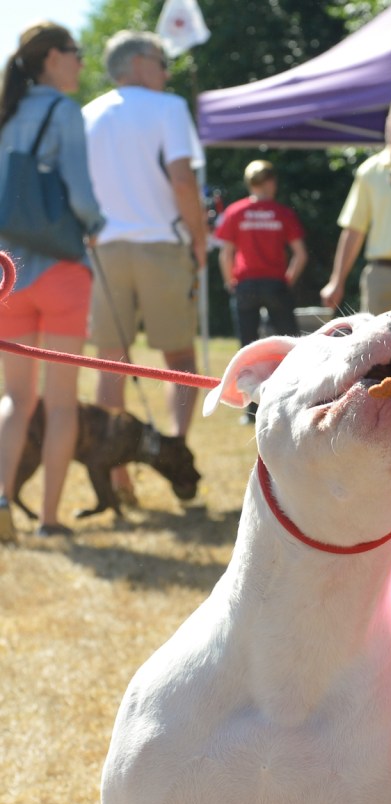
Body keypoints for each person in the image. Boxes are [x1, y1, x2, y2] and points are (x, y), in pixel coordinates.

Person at [82, 30, 206, 505]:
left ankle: (116, 473)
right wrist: (199, 238)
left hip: (104, 249)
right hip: (160, 246)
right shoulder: (169, 107)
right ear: (135, 63)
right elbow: (181, 179)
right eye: (160, 59)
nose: (166, 69)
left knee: (109, 363)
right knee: (182, 362)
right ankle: (172, 448)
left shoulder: (87, 113)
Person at [0, 21, 104, 541]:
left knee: (15, 399)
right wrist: (99, 226)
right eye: (75, 53)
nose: (82, 63)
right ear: (51, 58)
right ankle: (48, 520)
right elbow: (82, 196)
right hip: (62, 267)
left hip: (7, 273)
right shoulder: (63, 111)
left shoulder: (5, 109)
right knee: (61, 402)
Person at [319, 91, 391, 315]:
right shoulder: (369, 171)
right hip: (382, 275)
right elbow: (353, 230)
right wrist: (337, 281)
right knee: (377, 347)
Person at [215, 159, 306, 423]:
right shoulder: (282, 213)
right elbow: (300, 254)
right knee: (290, 346)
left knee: (247, 348)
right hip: (275, 284)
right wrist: (288, 278)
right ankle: (294, 400)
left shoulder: (235, 211)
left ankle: (251, 411)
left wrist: (229, 280)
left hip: (245, 285)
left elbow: (226, 254)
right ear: (268, 182)